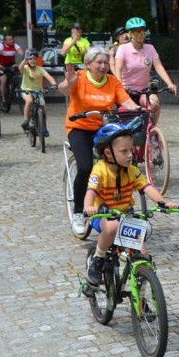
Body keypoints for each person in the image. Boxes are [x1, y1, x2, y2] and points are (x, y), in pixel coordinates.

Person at [83, 124, 179, 287]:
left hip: (125, 217)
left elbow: (148, 187)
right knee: (112, 226)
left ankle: (141, 304)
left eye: (131, 150)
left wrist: (163, 202)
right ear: (108, 153)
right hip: (103, 216)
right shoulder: (99, 170)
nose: (130, 155)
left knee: (143, 258)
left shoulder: (132, 171)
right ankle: (98, 259)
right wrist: (88, 207)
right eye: (124, 151)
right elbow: (90, 192)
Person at [59, 46, 139, 235]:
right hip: (78, 127)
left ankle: (123, 204)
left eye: (105, 63)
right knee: (86, 167)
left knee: (122, 162)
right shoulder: (79, 77)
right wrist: (69, 82)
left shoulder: (112, 81)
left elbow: (125, 100)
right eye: (99, 63)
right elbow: (65, 89)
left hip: (103, 128)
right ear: (88, 64)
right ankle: (79, 211)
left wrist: (137, 109)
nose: (103, 66)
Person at [113, 16, 177, 124]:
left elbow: (158, 67)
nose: (139, 34)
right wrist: (119, 89)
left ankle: (151, 130)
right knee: (132, 113)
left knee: (154, 103)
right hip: (126, 91)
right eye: (135, 32)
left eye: (142, 31)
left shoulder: (150, 48)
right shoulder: (123, 49)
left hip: (143, 90)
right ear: (130, 34)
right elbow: (117, 69)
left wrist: (170, 83)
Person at [19, 49, 57, 136]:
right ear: (27, 60)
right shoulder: (25, 68)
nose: (33, 60)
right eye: (30, 58)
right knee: (29, 101)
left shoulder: (40, 69)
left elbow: (49, 77)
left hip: (38, 92)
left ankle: (44, 127)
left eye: (35, 59)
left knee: (43, 106)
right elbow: (19, 69)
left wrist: (54, 84)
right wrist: (24, 61)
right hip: (26, 91)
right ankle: (26, 120)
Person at [0, 34, 21, 109]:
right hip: (1, 64)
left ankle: (17, 84)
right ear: (5, 41)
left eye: (12, 39)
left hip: (9, 63)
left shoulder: (15, 45)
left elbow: (22, 53)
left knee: (17, 69)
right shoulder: (0, 46)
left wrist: (26, 56)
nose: (12, 41)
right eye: (10, 40)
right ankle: (3, 100)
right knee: (3, 80)